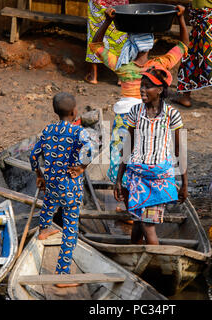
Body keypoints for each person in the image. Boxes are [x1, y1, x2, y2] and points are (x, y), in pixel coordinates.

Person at [89, 6, 189, 210]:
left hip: (125, 118)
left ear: (131, 43)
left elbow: (95, 45)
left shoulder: (122, 65)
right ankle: (148, 199)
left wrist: (108, 21)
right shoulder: (158, 66)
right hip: (152, 118)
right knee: (148, 156)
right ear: (150, 44)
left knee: (123, 159)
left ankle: (128, 203)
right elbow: (183, 45)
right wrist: (180, 19)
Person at [114, 67, 188, 245]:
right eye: (142, 86)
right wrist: (118, 179)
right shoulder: (136, 111)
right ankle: (134, 256)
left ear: (160, 90)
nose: (142, 90)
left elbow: (179, 150)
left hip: (158, 178)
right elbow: (128, 145)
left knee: (148, 225)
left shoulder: (172, 114)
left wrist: (185, 183)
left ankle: (159, 261)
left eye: (147, 86)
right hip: (137, 177)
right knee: (138, 222)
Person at [30, 92, 92, 287]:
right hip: (70, 187)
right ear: (74, 112)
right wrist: (82, 167)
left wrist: (39, 175)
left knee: (48, 204)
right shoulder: (78, 132)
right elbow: (90, 150)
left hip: (52, 182)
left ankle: (43, 229)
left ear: (55, 111)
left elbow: (33, 154)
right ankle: (62, 274)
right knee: (70, 228)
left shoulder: (48, 129)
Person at [85, 0, 129, 84]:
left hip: (99, 3)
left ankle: (93, 76)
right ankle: (120, 77)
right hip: (120, 4)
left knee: (95, 32)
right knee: (119, 36)